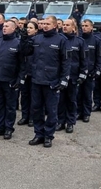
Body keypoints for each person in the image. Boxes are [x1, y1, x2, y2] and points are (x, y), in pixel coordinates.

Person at [25, 16, 71, 148]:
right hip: (37, 80)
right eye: (43, 23)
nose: (44, 26)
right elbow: (26, 52)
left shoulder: (62, 40)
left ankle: (48, 136)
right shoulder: (37, 38)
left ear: (55, 26)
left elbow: (66, 62)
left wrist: (63, 80)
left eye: (47, 24)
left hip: (52, 81)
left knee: (51, 110)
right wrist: (25, 39)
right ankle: (39, 134)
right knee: (36, 109)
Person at [56, 19, 88, 133]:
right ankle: (60, 121)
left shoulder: (79, 42)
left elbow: (84, 60)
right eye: (63, 25)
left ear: (74, 28)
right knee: (60, 100)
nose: (64, 27)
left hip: (73, 76)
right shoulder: (58, 40)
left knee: (71, 100)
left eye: (67, 25)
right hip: (60, 76)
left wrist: (83, 73)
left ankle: (70, 122)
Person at [77, 19, 101, 123]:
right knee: (78, 94)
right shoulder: (78, 39)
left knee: (87, 94)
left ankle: (86, 113)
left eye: (86, 25)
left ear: (91, 27)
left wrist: (97, 70)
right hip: (79, 72)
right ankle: (78, 112)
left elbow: (99, 57)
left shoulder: (96, 40)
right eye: (83, 25)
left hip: (90, 72)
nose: (84, 27)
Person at [18, 21, 39, 126]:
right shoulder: (23, 39)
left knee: (33, 96)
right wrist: (23, 39)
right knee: (24, 95)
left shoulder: (37, 40)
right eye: (27, 28)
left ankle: (32, 117)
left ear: (36, 30)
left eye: (31, 28)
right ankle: (24, 116)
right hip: (24, 71)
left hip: (34, 71)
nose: (28, 29)